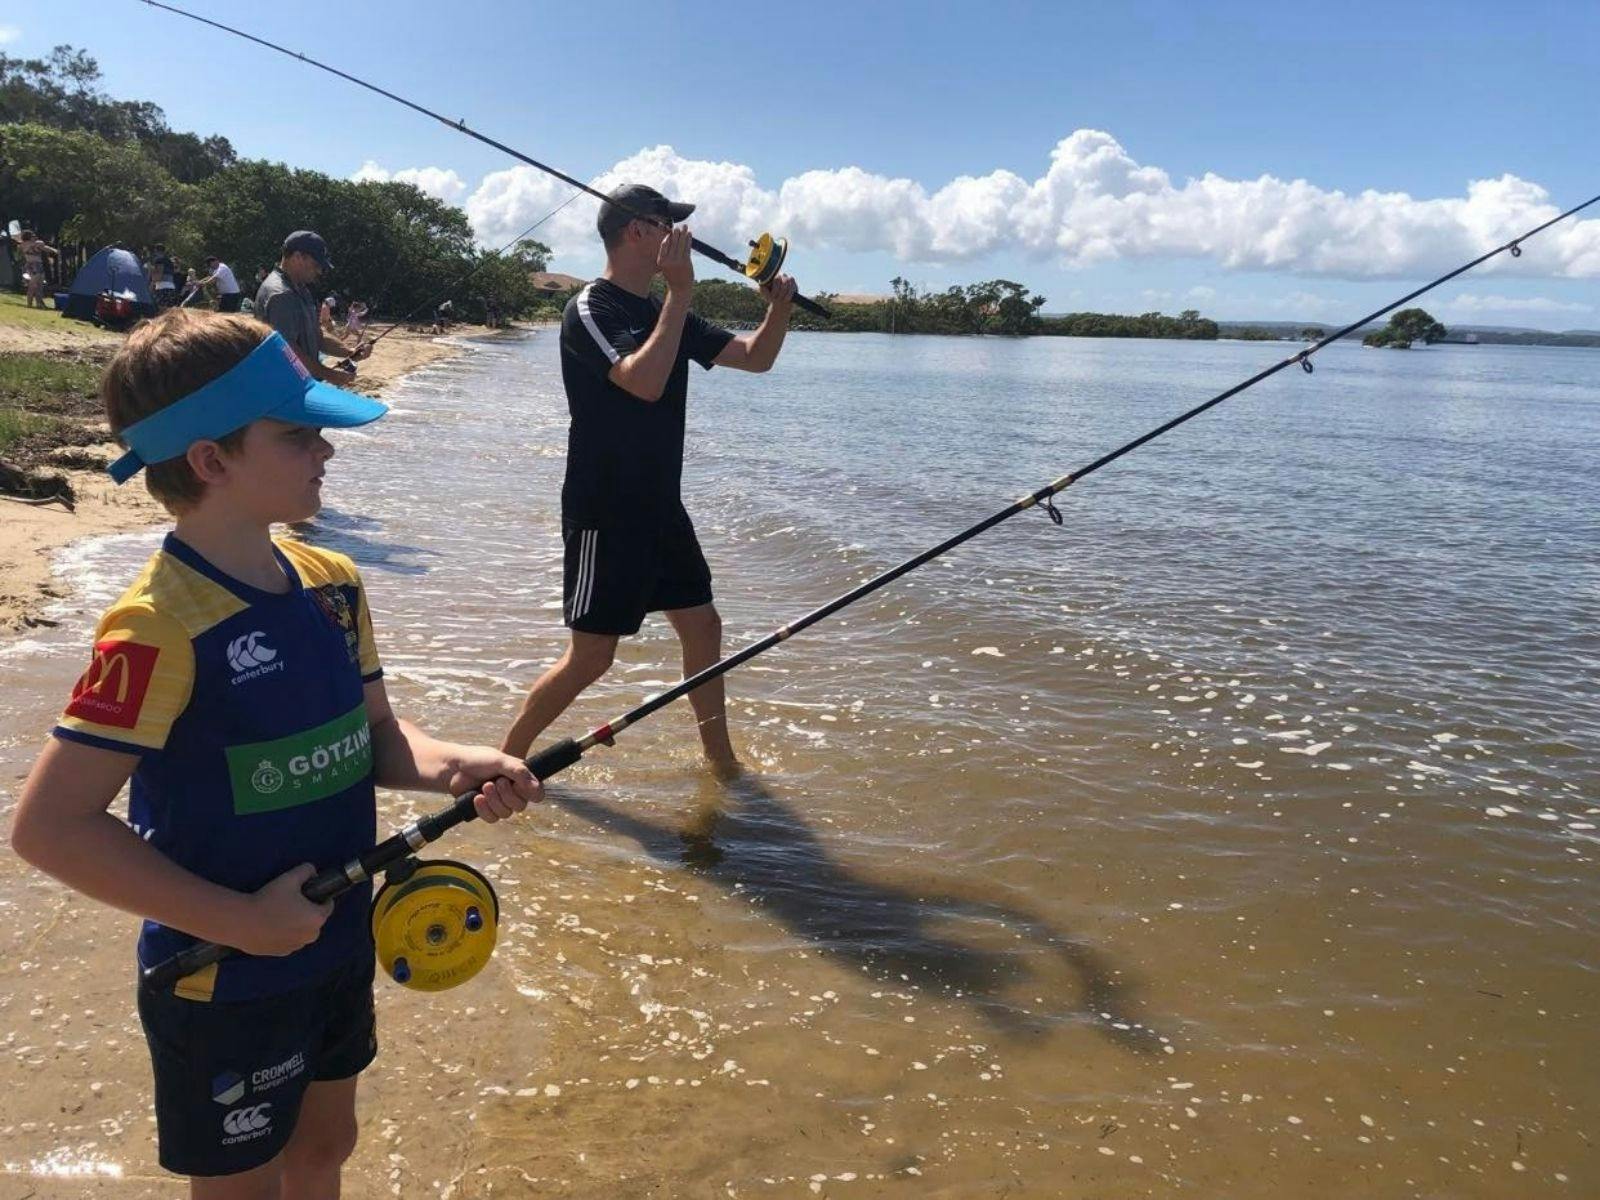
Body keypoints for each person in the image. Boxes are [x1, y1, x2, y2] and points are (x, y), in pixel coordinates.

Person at [8, 307, 542, 1196]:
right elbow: (51, 829)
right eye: (299, 435)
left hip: (337, 946)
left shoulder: (333, 587)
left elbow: (376, 737)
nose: (326, 449)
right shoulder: (155, 628)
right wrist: (241, 923)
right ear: (213, 460)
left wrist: (453, 766)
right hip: (219, 979)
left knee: (327, 1147)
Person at [500, 183, 797, 775]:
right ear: (638, 231)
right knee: (592, 658)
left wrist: (778, 308)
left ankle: (722, 765)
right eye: (669, 224)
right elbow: (643, 382)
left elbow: (755, 358)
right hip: (605, 510)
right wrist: (681, 292)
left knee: (704, 627)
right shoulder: (591, 307)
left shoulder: (666, 311)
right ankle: (502, 761)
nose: (679, 235)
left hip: (662, 506)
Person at [255, 231, 369, 383]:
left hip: (301, 383)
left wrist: (350, 352)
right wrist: (328, 374)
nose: (320, 271)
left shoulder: (301, 289)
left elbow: (316, 335)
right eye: (316, 265)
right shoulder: (281, 295)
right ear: (297, 257)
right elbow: (286, 350)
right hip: (283, 386)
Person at [18, 229, 58, 309]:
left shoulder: (23, 245)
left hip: (33, 265)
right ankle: (30, 304)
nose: (35, 236)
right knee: (34, 286)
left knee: (38, 286)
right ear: (29, 237)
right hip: (35, 265)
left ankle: (38, 303)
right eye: (33, 235)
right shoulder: (36, 243)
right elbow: (45, 248)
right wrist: (54, 250)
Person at [149, 243, 178, 308]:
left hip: (162, 288)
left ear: (156, 251)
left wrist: (151, 284)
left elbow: (159, 274)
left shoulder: (159, 260)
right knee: (170, 312)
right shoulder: (169, 261)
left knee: (161, 311)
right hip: (171, 287)